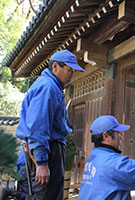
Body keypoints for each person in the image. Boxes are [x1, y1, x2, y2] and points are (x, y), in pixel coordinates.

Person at [13, 49, 84, 200]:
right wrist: (41, 163)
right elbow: (38, 127)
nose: (71, 76)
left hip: (48, 152)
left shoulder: (52, 87)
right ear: (55, 67)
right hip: (42, 155)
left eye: (73, 72)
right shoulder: (47, 87)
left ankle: (10, 194)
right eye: (69, 71)